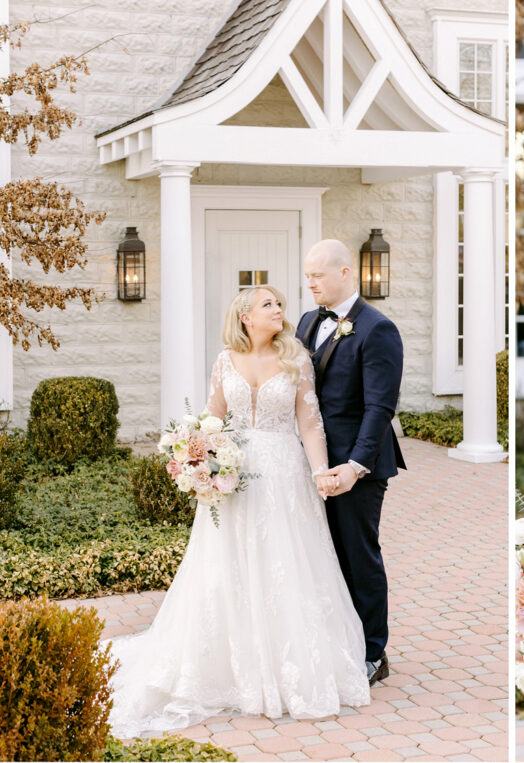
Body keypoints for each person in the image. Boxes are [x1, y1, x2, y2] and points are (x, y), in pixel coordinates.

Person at [107, 285, 370, 738]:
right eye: (269, 304)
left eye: (280, 304)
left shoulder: (296, 358)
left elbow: (310, 422)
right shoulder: (225, 359)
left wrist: (320, 474)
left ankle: (285, 666)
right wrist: (196, 457)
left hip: (284, 476)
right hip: (233, 477)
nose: (279, 310)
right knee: (226, 565)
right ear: (245, 316)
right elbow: (213, 414)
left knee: (284, 564)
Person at [296, 239, 405, 687]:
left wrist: (354, 466)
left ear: (345, 273)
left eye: (318, 275)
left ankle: (372, 652)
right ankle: (333, 642)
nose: (310, 284)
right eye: (307, 276)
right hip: (308, 461)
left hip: (356, 467)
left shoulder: (378, 329)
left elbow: (380, 407)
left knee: (357, 556)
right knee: (319, 555)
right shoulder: (306, 322)